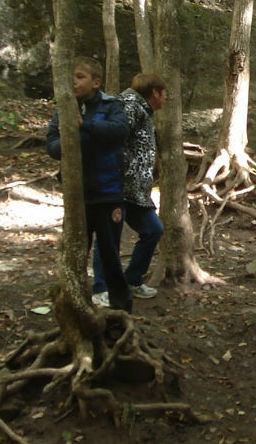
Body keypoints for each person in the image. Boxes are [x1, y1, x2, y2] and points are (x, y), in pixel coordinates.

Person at [45, 57, 132, 312]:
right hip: (77, 197)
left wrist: (87, 126)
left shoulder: (111, 106)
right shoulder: (64, 109)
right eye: (71, 76)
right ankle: (74, 304)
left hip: (107, 195)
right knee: (74, 252)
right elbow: (51, 144)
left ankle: (120, 308)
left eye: (80, 76)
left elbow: (119, 131)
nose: (74, 81)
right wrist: (70, 142)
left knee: (109, 254)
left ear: (96, 82)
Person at [90, 72, 167, 308]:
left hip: (136, 192)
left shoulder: (141, 108)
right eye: (164, 94)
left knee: (153, 230)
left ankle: (132, 279)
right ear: (155, 92)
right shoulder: (129, 105)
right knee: (109, 236)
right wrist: (119, 172)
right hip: (117, 186)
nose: (165, 99)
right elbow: (114, 139)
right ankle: (101, 288)